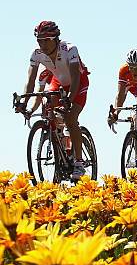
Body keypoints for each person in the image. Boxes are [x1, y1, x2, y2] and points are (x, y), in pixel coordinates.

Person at [16, 21, 90, 180]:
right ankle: (60, 141)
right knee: (47, 105)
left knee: (71, 119)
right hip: (59, 82)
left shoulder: (69, 49)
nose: (42, 44)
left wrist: (69, 99)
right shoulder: (36, 54)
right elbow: (31, 81)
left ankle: (78, 162)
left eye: (46, 40)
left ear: (55, 39)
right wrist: (24, 102)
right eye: (39, 41)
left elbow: (76, 76)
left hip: (78, 83)